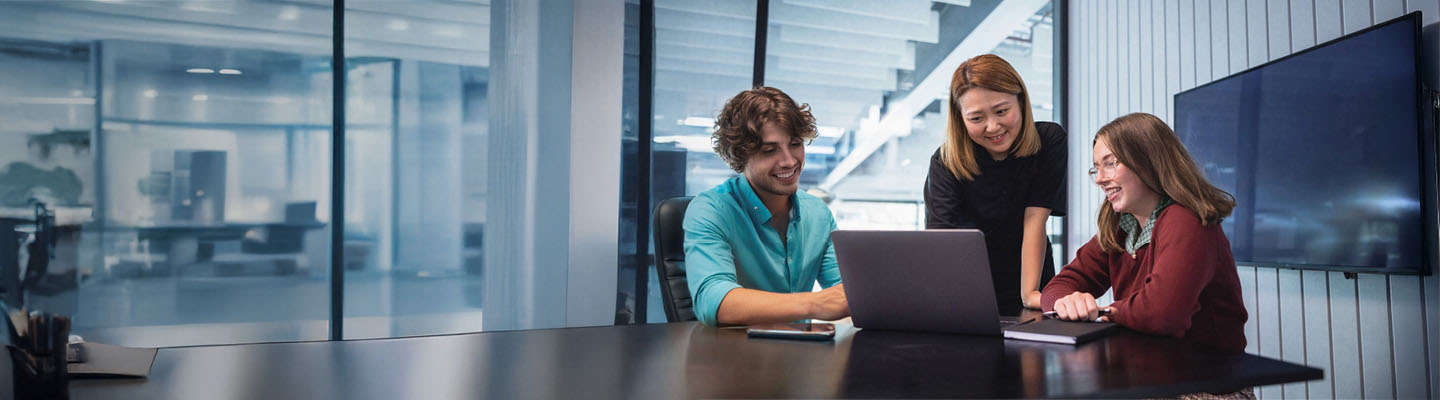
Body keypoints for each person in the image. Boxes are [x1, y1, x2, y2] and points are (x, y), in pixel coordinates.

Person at [1044, 112, 1248, 354]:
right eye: (1096, 169)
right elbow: (1058, 286)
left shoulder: (1187, 221)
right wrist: (1065, 302)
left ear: (1147, 160)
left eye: (1109, 164)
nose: (1099, 179)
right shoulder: (1121, 227)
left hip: (1207, 384)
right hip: (1149, 372)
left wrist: (1101, 312)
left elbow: (1162, 313)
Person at [683, 86, 848, 327]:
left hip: (801, 354)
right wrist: (815, 304)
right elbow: (714, 301)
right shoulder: (711, 210)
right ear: (740, 155)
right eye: (769, 150)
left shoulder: (818, 213)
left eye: (794, 144)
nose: (789, 161)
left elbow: (845, 291)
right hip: (732, 357)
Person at [924, 54, 1067, 314]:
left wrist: (1029, 295)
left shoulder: (1049, 140)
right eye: (976, 118)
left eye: (1002, 111)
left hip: (1031, 280)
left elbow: (1035, 219)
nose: (993, 127)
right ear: (960, 119)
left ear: (1021, 102)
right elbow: (942, 243)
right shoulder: (947, 162)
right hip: (967, 291)